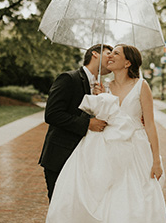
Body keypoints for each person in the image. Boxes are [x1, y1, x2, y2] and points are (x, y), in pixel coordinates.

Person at [44, 44, 166, 223]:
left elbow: (150, 125)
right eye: (108, 52)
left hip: (134, 154)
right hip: (106, 153)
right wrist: (99, 100)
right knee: (105, 211)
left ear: (128, 63)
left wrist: (156, 159)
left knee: (133, 212)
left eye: (116, 54)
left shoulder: (142, 86)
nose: (110, 56)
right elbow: (96, 118)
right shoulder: (103, 87)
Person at [38, 43, 113, 200]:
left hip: (86, 159)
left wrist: (101, 100)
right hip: (61, 156)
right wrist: (88, 124)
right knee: (60, 208)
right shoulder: (68, 79)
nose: (111, 58)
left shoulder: (101, 88)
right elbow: (52, 114)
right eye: (108, 54)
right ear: (95, 54)